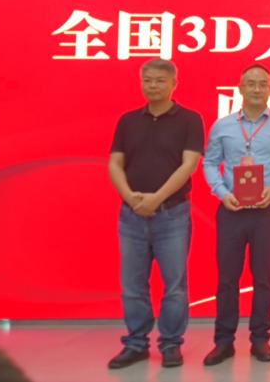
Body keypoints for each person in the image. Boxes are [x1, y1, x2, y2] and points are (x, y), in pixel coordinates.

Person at [202, 64, 270, 365]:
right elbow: (210, 162)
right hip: (231, 209)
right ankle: (223, 341)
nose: (257, 89)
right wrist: (222, 193)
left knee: (263, 279)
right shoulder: (223, 126)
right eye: (251, 83)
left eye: (262, 84)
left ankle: (260, 339)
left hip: (266, 210)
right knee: (227, 279)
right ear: (240, 88)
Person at [107, 59, 204, 369]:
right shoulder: (128, 121)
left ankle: (171, 344)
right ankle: (135, 344)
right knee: (132, 285)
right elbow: (115, 163)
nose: (153, 85)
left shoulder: (190, 119)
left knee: (174, 285)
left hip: (172, 214)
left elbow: (189, 165)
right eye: (147, 80)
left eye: (160, 80)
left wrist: (156, 198)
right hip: (131, 215)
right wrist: (130, 197)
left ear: (174, 83)